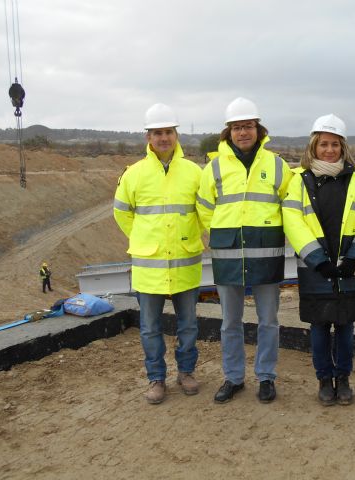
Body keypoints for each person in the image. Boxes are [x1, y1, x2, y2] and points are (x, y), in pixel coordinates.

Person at [197, 97, 292, 404]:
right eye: (237, 127)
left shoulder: (277, 166)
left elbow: (288, 208)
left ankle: (266, 377)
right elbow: (204, 209)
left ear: (258, 128)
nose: (243, 132)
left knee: (268, 321)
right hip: (228, 256)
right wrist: (226, 233)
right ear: (229, 132)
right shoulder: (213, 168)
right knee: (230, 322)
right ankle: (233, 377)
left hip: (266, 256)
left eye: (248, 126)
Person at [282, 114, 355, 406]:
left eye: (334, 144)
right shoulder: (298, 180)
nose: (329, 149)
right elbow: (293, 220)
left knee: (346, 326)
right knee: (320, 326)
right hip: (317, 268)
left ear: (342, 147)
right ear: (314, 146)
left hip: (349, 265)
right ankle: (324, 378)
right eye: (323, 144)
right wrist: (317, 259)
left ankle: (344, 378)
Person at [113, 103, 204, 405]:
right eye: (157, 132)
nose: (163, 137)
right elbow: (122, 214)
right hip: (149, 268)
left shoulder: (193, 173)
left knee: (188, 325)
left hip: (185, 265)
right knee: (150, 328)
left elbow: (203, 214)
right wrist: (143, 240)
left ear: (176, 135)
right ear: (148, 136)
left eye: (168, 131)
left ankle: (187, 372)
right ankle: (157, 378)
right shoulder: (134, 175)